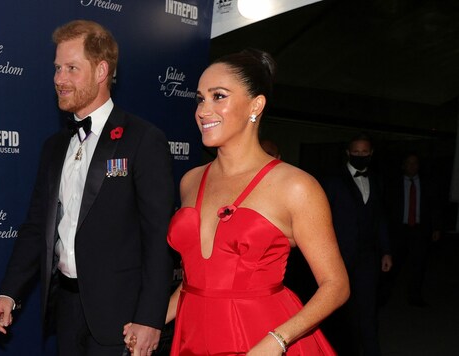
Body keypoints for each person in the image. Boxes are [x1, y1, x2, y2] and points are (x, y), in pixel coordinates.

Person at [125, 49, 349, 355]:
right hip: (193, 338)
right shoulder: (190, 180)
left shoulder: (295, 186)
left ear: (255, 105)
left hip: (262, 340)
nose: (204, 110)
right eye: (200, 99)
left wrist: (277, 341)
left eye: (219, 96)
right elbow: (200, 280)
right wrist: (152, 320)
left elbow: (336, 285)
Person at [0, 20, 175, 356]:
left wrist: (151, 319)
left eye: (72, 68)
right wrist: (9, 292)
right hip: (66, 309)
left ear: (101, 70)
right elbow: (36, 227)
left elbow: (159, 239)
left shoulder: (143, 140)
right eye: (58, 68)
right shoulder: (53, 146)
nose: (60, 79)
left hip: (122, 318)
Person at [320, 134, 392, 356]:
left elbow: (380, 218)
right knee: (340, 312)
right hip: (339, 257)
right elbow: (322, 219)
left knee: (368, 310)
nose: (360, 155)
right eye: (356, 151)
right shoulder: (333, 180)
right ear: (348, 153)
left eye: (364, 152)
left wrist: (386, 250)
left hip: (369, 257)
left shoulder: (377, 179)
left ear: (371, 154)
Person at [385, 152, 441, 307]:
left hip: (419, 229)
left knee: (418, 264)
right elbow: (386, 208)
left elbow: (434, 206)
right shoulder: (393, 184)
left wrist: (436, 227)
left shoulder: (427, 183)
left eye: (415, 163)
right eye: (409, 163)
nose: (412, 166)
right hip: (399, 230)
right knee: (393, 263)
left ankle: (415, 296)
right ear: (403, 165)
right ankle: (384, 294)